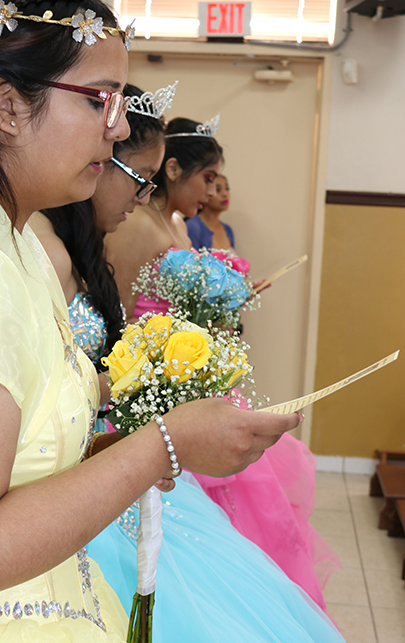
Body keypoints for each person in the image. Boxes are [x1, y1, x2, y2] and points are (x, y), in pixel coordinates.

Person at [0, 0, 304, 641]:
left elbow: (26, 447)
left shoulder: (18, 241)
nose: (117, 126)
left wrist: (156, 421)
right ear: (5, 106)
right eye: (98, 99)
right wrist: (160, 445)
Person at [32, 84, 345, 642]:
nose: (145, 194)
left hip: (100, 437)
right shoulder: (46, 249)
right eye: (137, 177)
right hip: (72, 463)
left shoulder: (85, 245)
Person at [104, 114, 341, 613]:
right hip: (156, 381)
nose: (211, 191)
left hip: (185, 373)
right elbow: (119, 320)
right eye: (206, 178)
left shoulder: (170, 223)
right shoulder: (133, 229)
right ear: (170, 170)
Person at [186, 173, 235, 251]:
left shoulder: (228, 229)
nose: (225, 194)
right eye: (218, 190)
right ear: (206, 193)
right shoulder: (193, 227)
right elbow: (190, 261)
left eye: (227, 188)